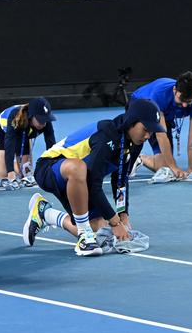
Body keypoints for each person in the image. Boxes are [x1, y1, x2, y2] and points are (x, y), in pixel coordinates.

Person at [22, 98, 164, 256]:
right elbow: (92, 184)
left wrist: (123, 214)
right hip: (49, 168)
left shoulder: (135, 142)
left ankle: (45, 213)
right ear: (132, 121)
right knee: (78, 168)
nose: (147, 135)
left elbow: (121, 179)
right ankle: (84, 236)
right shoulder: (107, 135)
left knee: (101, 231)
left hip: (80, 180)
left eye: (151, 131)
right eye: (145, 129)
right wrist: (115, 221)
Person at [132, 72, 192, 181]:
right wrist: (174, 167)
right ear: (175, 90)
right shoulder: (159, 95)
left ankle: (139, 159)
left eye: (189, 101)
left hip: (166, 113)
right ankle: (132, 156)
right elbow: (161, 135)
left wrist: (191, 168)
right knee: (168, 167)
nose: (184, 105)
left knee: (163, 167)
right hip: (140, 105)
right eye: (182, 99)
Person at [0, 98, 57, 187]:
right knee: (3, 174)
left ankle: (0, 160)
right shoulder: (16, 118)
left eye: (46, 119)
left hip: (23, 134)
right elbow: (10, 146)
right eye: (40, 119)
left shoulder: (45, 121)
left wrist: (53, 169)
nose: (44, 124)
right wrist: (10, 172)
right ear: (31, 116)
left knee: (24, 173)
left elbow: (51, 144)